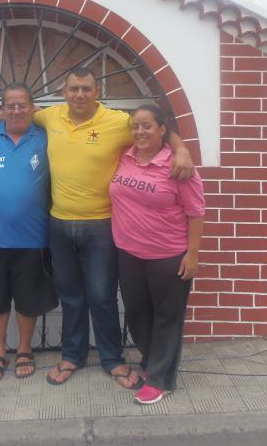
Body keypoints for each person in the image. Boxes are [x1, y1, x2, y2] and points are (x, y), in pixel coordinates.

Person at [32, 68, 195, 388]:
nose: (80, 94)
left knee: (102, 296)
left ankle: (112, 359)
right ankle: (72, 355)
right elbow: (21, 110)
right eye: (74, 89)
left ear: (98, 92)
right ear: (64, 92)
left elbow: (161, 129)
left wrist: (183, 149)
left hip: (101, 226)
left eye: (86, 88)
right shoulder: (51, 116)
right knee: (71, 296)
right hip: (60, 223)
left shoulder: (118, 122)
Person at [109, 105, 205, 405]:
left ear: (162, 129)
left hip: (168, 256)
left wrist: (192, 255)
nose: (140, 131)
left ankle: (161, 379)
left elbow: (196, 212)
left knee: (167, 317)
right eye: (136, 126)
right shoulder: (125, 157)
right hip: (129, 252)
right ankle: (152, 360)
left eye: (147, 126)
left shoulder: (177, 166)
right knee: (137, 314)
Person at [0, 83, 57, 381]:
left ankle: (25, 349)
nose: (16, 110)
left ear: (33, 107)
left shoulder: (46, 136)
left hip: (33, 238)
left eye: (22, 105)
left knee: (29, 299)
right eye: (10, 106)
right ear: (2, 109)